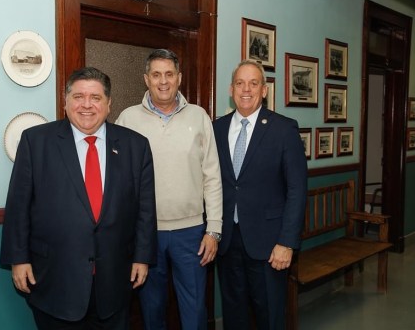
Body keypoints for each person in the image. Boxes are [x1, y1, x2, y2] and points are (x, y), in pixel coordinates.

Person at [0, 67, 157, 330]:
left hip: (115, 280)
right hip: (54, 279)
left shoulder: (135, 146)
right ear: (65, 102)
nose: (86, 105)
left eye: (95, 98)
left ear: (108, 104)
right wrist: (19, 259)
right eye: (78, 96)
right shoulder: (36, 142)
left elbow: (145, 209)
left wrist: (142, 257)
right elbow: (19, 206)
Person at [116, 48, 222, 330]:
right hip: (146, 232)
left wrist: (213, 230)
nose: (163, 81)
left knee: (195, 307)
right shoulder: (127, 119)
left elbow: (212, 176)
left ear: (179, 78)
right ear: (146, 79)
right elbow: (117, 182)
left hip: (192, 234)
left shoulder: (199, 117)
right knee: (151, 308)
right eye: (156, 75)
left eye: (169, 74)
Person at [213, 60, 308, 330]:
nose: (246, 89)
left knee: (269, 316)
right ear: (231, 89)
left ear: (264, 90)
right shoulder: (216, 129)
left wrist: (287, 243)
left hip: (269, 245)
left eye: (253, 83)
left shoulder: (284, 129)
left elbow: (297, 189)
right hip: (227, 242)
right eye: (240, 83)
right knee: (234, 316)